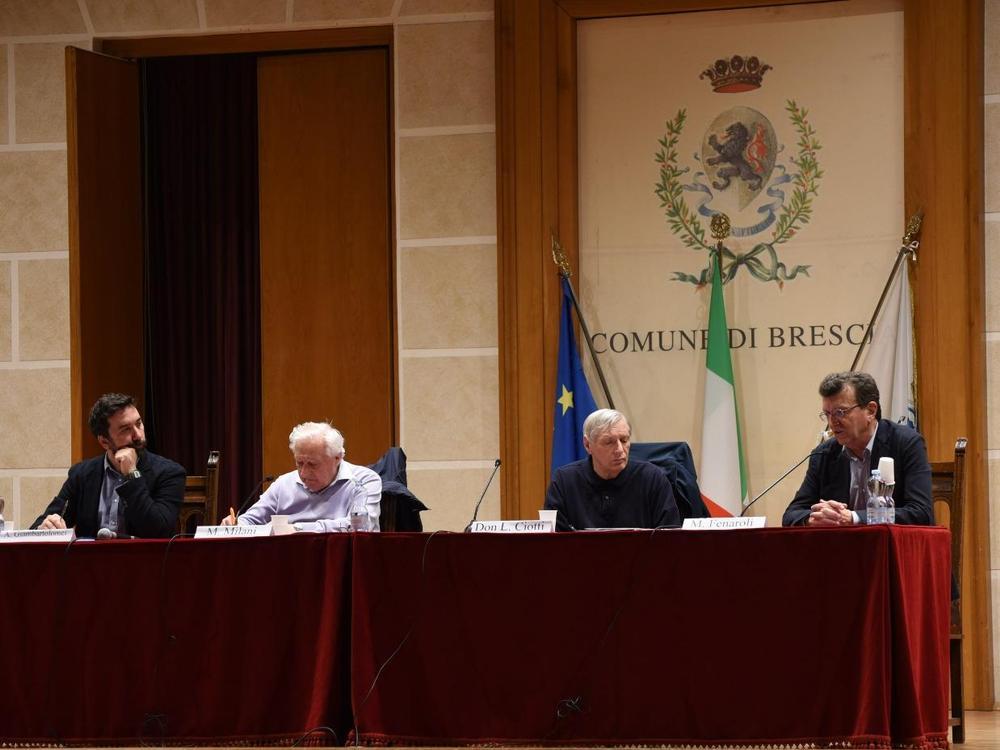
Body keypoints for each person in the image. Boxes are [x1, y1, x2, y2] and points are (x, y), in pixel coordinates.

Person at [782, 371, 933, 527]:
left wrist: (854, 517)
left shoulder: (906, 444)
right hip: (840, 549)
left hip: (890, 547)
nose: (832, 422)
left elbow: (921, 512)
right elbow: (791, 515)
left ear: (871, 411)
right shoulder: (824, 454)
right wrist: (814, 518)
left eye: (840, 412)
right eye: (827, 414)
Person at [31, 393, 186, 538]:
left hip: (146, 562)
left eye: (139, 424)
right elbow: (38, 527)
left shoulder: (169, 473)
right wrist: (45, 527)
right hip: (91, 564)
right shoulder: (82, 474)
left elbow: (159, 531)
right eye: (126, 429)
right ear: (104, 441)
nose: (138, 435)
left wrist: (132, 474)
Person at [225, 421, 382, 531]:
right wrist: (235, 525)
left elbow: (360, 527)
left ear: (337, 457)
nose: (303, 473)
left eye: (313, 464)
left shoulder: (364, 481)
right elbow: (249, 520)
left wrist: (296, 528)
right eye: (299, 463)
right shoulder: (284, 484)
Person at [544, 408, 680, 531]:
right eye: (609, 442)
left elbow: (670, 540)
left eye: (624, 440)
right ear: (587, 445)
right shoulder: (564, 481)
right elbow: (553, 544)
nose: (620, 450)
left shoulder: (653, 479)